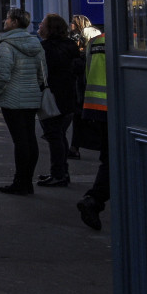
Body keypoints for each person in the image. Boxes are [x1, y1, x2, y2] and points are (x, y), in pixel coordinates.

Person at [0, 8, 48, 195]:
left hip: (12, 98)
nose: (4, 21)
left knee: (20, 141)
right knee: (30, 138)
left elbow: (3, 74)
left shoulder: (7, 44)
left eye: (7, 18)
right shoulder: (35, 43)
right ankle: (27, 180)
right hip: (31, 97)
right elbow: (42, 73)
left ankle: (20, 182)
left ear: (14, 22)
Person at [37, 14, 82, 187]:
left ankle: (59, 174)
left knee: (54, 136)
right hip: (69, 97)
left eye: (42, 24)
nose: (39, 26)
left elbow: (43, 73)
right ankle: (61, 172)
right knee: (59, 135)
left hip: (52, 98)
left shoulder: (45, 48)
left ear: (50, 29)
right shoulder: (71, 46)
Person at [76, 31, 109, 230]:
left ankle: (94, 199)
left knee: (109, 159)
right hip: (122, 107)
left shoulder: (95, 42)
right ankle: (95, 199)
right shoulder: (133, 37)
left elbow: (86, 74)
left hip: (96, 107)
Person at [68, 15, 101, 160]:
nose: (71, 25)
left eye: (72, 23)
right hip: (94, 79)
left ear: (78, 24)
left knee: (79, 116)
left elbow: (81, 52)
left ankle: (75, 148)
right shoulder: (97, 32)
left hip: (82, 82)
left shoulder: (83, 35)